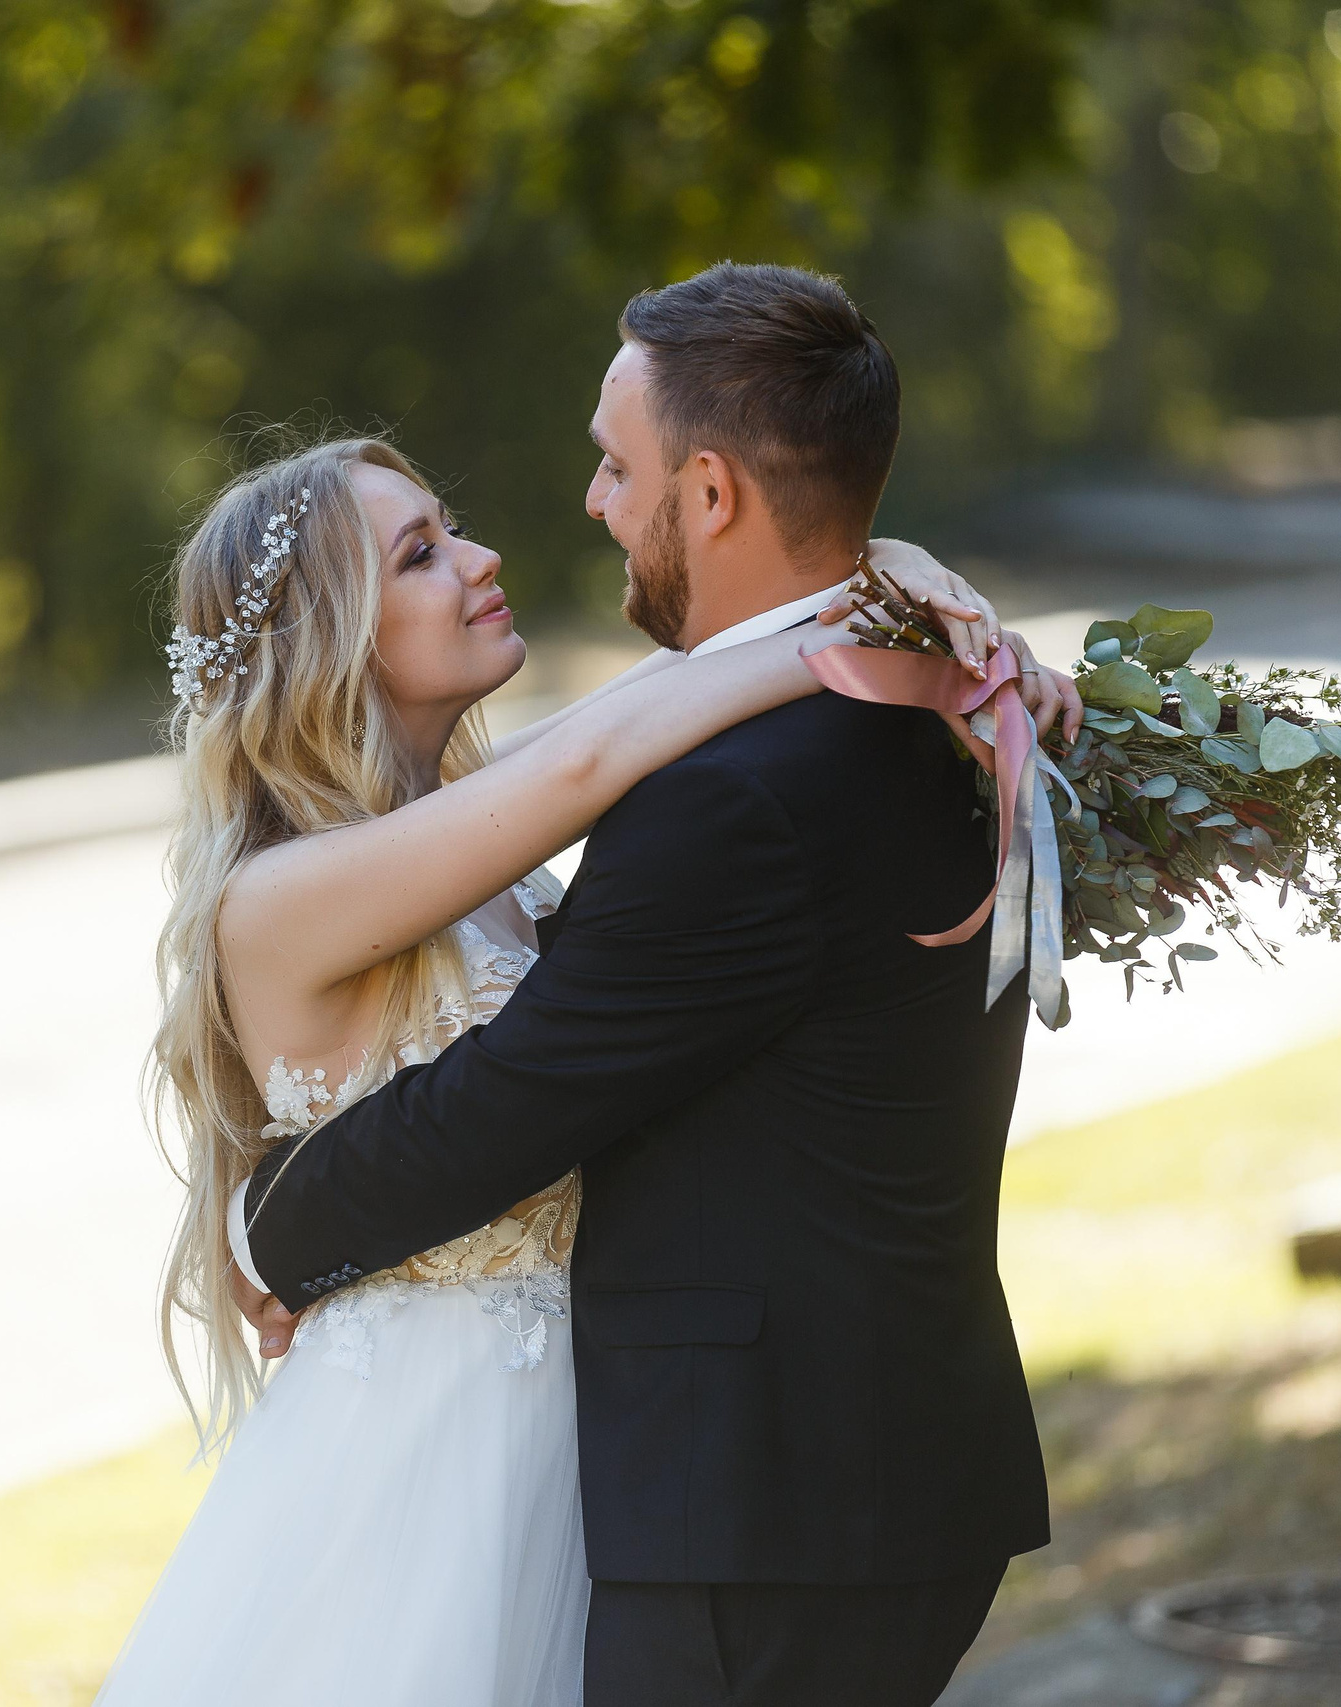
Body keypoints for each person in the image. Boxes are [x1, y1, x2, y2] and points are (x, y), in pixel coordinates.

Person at [98, 390, 1061, 1706]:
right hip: (427, 1460)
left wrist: (927, 612)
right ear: (328, 638)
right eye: (421, 554)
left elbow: (641, 710)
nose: (482, 560)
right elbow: (601, 752)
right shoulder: (279, 897)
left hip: (597, 1436)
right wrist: (879, 642)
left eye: (455, 530)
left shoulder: (470, 840)